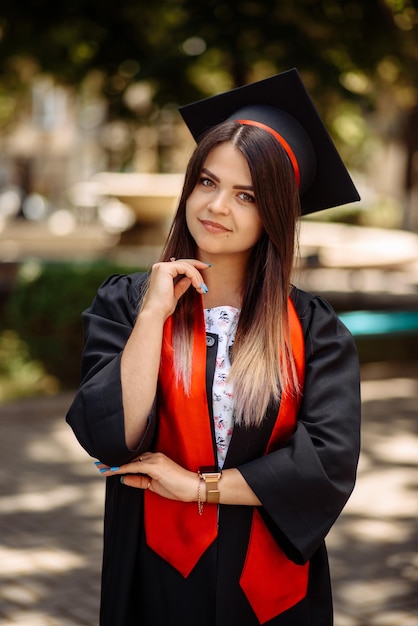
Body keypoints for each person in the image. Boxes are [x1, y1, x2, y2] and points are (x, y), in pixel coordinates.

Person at [66, 68, 361, 626]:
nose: (217, 206)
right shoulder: (128, 302)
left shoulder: (314, 328)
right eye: (207, 182)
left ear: (275, 211)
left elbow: (326, 466)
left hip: (271, 588)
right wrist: (155, 314)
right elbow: (109, 437)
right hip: (156, 575)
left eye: (245, 194)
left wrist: (198, 487)